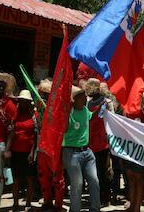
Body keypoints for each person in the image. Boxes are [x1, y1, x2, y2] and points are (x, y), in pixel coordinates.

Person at [62, 86, 100, 212]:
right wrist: (67, 110)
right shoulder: (69, 112)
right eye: (83, 96)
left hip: (87, 152)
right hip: (71, 152)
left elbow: (91, 116)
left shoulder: (85, 110)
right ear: (75, 99)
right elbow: (65, 129)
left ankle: (95, 208)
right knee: (77, 183)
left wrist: (100, 108)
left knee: (94, 180)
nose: (85, 98)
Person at [36, 78, 65, 212]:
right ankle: (47, 201)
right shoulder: (38, 108)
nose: (43, 97)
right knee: (43, 176)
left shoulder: (58, 108)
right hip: (43, 145)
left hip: (54, 145)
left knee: (57, 177)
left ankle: (58, 204)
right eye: (42, 93)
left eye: (45, 94)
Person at [6, 90, 38, 211]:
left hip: (29, 152)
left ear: (29, 102)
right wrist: (7, 150)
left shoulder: (34, 116)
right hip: (16, 151)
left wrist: (31, 152)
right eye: (21, 101)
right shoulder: (16, 113)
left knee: (30, 178)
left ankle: (28, 203)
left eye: (25, 101)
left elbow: (36, 136)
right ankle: (15, 204)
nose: (22, 103)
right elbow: (12, 132)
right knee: (16, 179)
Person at [86, 78, 112, 207]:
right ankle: (96, 196)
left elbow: (106, 118)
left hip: (103, 141)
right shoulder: (88, 103)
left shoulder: (106, 102)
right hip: (91, 141)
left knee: (102, 171)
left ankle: (105, 197)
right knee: (93, 173)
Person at [0, 72, 17, 210]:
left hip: (1, 143)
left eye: (2, 85)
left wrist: (8, 149)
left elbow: (12, 128)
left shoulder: (9, 104)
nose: (0, 87)